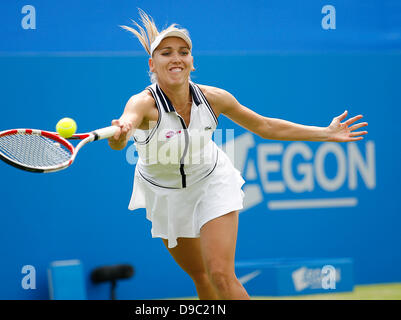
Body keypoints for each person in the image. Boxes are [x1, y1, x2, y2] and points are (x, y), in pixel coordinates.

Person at [107, 10, 368, 300]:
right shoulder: (143, 104)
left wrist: (325, 133)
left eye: (183, 52)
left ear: (192, 63)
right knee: (201, 276)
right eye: (166, 53)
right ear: (152, 64)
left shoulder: (215, 98)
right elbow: (123, 133)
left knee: (221, 274)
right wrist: (122, 133)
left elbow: (265, 126)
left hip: (211, 181)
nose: (176, 58)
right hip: (165, 194)